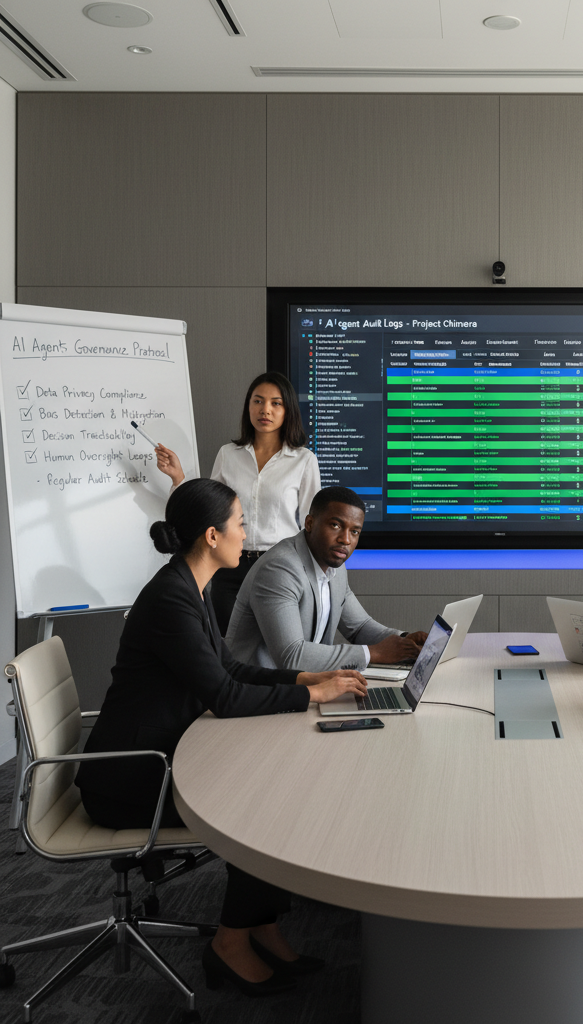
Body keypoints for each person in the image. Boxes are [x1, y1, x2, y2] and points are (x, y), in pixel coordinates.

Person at [75, 479, 368, 996]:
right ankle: (230, 944)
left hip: (165, 751)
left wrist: (304, 678)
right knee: (261, 807)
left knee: (276, 785)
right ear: (212, 536)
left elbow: (228, 669)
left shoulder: (190, 585)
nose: (246, 534)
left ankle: (261, 926)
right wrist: (311, 696)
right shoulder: (171, 598)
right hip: (131, 775)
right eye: (240, 524)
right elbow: (226, 697)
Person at [155, 371, 321, 634]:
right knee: (229, 645)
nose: (265, 410)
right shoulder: (228, 454)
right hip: (231, 566)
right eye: (258, 401)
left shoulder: (304, 460)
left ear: (287, 410)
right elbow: (208, 509)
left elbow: (312, 526)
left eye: (276, 403)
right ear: (248, 406)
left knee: (277, 646)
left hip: (279, 566)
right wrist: (178, 478)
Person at [226, 485, 427, 671]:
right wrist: (373, 653)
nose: (345, 540)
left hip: (302, 685)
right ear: (310, 523)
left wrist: (405, 640)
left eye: (354, 531)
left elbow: (359, 627)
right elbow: (291, 656)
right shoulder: (280, 569)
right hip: (254, 688)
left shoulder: (334, 567)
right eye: (336, 525)